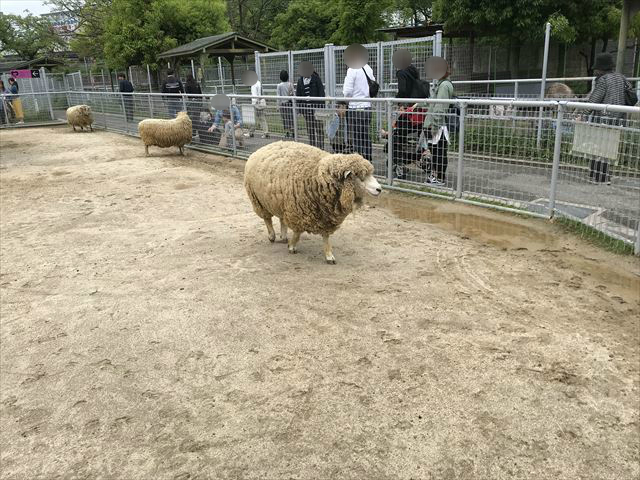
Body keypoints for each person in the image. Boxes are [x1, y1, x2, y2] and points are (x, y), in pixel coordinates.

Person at [585, 53, 633, 184]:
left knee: (598, 147)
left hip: (602, 118)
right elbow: (632, 96)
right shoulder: (622, 77)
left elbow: (594, 100)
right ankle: (601, 175)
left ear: (601, 68)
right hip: (618, 118)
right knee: (608, 148)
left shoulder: (603, 80)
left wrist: (582, 113)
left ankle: (598, 177)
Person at [422, 58, 454, 185]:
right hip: (436, 124)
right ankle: (437, 177)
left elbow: (440, 108)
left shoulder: (444, 85)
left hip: (437, 125)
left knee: (438, 152)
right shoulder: (443, 84)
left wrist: (434, 126)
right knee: (437, 152)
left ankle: (439, 178)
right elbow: (433, 102)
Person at [343, 61, 375, 162]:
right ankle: (368, 158)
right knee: (365, 134)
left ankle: (359, 161)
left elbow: (347, 91)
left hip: (355, 107)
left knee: (356, 136)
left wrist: (346, 99)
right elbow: (373, 83)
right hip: (367, 106)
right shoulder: (368, 68)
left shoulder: (352, 70)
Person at [295, 69, 325, 149]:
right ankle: (312, 148)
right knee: (310, 131)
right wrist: (301, 110)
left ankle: (320, 148)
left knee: (319, 129)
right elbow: (298, 96)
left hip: (317, 110)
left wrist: (321, 108)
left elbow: (321, 93)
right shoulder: (300, 81)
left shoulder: (316, 79)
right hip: (306, 111)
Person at [276, 70, 294, 138]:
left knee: (285, 118)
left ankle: (287, 132)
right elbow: (293, 94)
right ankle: (293, 132)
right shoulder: (290, 84)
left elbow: (278, 96)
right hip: (290, 103)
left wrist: (277, 106)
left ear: (280, 77)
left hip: (283, 104)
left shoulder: (279, 85)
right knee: (291, 117)